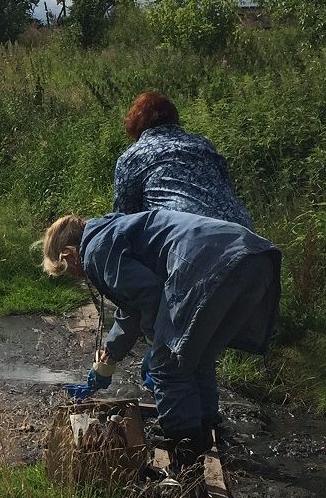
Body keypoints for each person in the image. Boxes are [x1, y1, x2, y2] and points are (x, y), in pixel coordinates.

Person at [39, 209, 281, 476]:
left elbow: (150, 294)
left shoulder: (95, 250)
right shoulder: (112, 231)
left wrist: (158, 346)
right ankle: (204, 435)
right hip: (255, 258)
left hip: (208, 266)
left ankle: (186, 472)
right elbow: (132, 305)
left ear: (70, 254)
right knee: (197, 358)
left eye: (69, 270)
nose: (77, 276)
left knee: (168, 368)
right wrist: (112, 352)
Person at [115, 91, 253, 230]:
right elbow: (225, 185)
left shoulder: (133, 156)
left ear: (136, 124)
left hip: (186, 232)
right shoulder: (202, 143)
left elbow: (125, 218)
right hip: (240, 227)